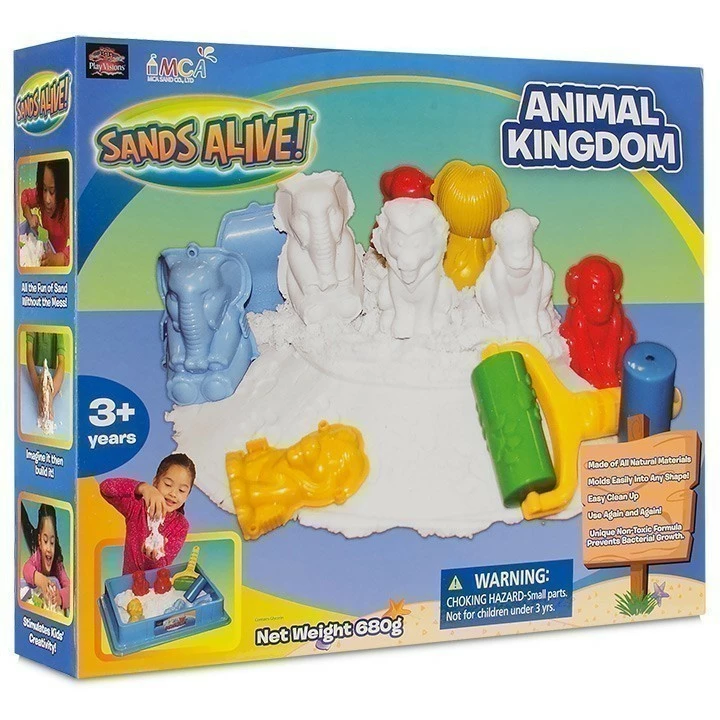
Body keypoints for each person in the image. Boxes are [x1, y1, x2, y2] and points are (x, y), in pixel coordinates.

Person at [100, 453, 195, 575]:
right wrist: (143, 488)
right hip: (127, 581)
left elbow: (163, 565)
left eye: (182, 490)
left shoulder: (181, 526)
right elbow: (106, 488)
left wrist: (153, 557)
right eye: (168, 484)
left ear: (187, 495)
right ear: (155, 482)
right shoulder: (136, 507)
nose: (173, 494)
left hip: (155, 585)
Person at [21, 503, 71, 612]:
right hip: (33, 540)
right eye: (45, 541)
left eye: (52, 542)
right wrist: (40, 579)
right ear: (40, 540)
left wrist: (60, 597)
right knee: (25, 523)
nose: (49, 548)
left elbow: (71, 588)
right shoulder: (36, 556)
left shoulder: (57, 563)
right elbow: (26, 569)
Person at [20, 159, 70, 267]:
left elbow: (80, 243)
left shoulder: (68, 209)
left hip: (59, 249)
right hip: (44, 239)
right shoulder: (40, 197)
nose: (47, 199)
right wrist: (30, 217)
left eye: (52, 191)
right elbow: (25, 196)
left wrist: (60, 258)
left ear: (63, 190)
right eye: (44, 189)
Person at [26, 332, 65, 422]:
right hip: (35, 372)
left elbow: (62, 363)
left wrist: (49, 395)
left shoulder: (58, 329)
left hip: (52, 376)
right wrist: (38, 390)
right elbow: (29, 352)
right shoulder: (33, 325)